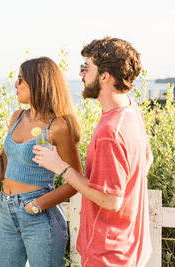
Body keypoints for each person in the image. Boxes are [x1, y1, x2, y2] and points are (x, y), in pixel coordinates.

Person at [32, 37, 153, 266]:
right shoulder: (130, 109)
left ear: (104, 76)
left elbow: (111, 201)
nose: (81, 75)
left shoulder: (110, 132)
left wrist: (60, 166)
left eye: (85, 68)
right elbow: (147, 157)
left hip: (108, 255)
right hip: (131, 247)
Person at [0, 57, 82, 267]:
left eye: (20, 80)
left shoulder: (57, 126)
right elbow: (0, 174)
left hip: (38, 215)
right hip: (7, 209)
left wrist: (37, 205)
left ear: (38, 83)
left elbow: (75, 182)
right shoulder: (17, 117)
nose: (15, 85)